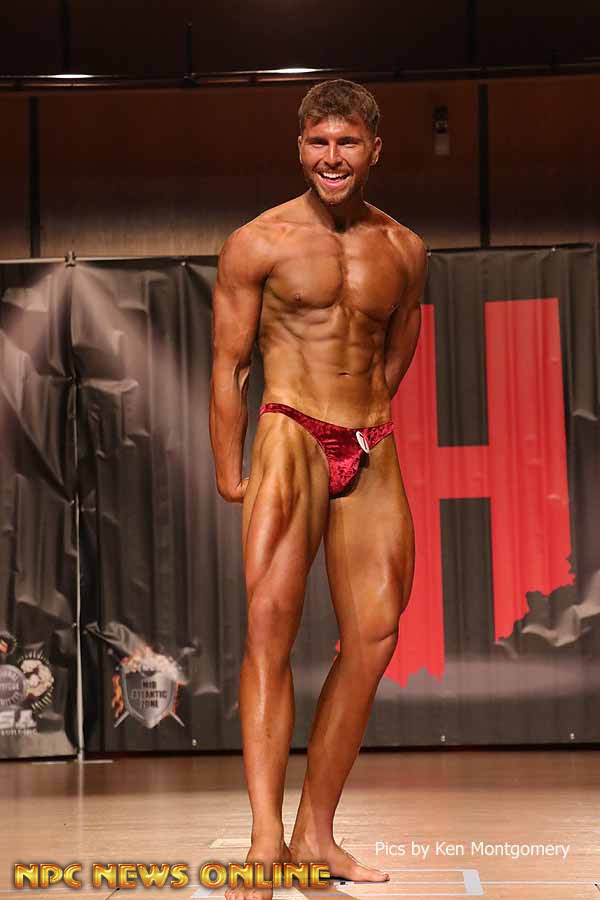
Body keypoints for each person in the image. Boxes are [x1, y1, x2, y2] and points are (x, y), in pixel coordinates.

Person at [209, 78, 427, 900]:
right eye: (317, 143)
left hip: (369, 440)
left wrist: (363, 412)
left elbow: (397, 349)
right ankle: (265, 840)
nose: (331, 158)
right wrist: (230, 467)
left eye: (346, 143)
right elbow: (230, 364)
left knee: (374, 635)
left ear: (374, 150)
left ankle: (314, 835)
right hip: (291, 430)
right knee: (270, 629)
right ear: (300, 148)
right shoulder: (257, 242)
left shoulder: (405, 248)